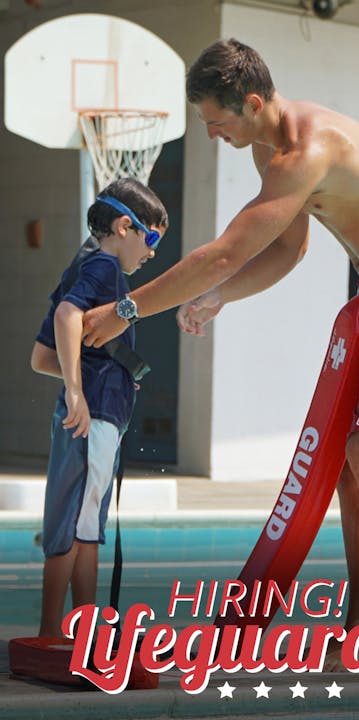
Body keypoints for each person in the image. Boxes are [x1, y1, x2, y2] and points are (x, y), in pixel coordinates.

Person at [82, 39, 359, 663]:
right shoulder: (270, 148)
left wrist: (127, 306)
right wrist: (223, 298)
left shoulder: (306, 150)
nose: (210, 135)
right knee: (348, 464)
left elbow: (223, 251)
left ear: (253, 102)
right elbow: (288, 251)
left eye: (216, 122)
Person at [31, 177, 168, 636]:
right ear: (124, 226)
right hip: (92, 420)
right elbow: (69, 317)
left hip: (97, 416)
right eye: (151, 240)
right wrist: (78, 393)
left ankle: (82, 631)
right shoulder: (107, 269)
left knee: (85, 528)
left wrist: (107, 378)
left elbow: (41, 356)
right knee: (72, 527)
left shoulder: (82, 265)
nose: (152, 253)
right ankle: (52, 634)